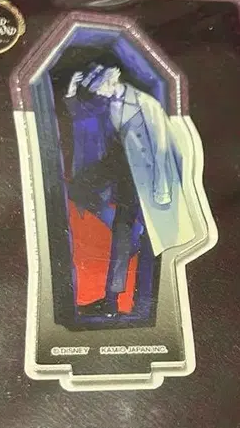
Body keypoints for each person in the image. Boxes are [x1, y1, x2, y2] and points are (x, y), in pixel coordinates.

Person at [65, 64, 194, 319]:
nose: (98, 92)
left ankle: (130, 303)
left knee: (144, 241)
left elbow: (161, 145)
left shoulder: (145, 103)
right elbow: (84, 114)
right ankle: (111, 302)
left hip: (146, 179)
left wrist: (162, 189)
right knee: (113, 226)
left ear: (112, 80)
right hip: (121, 171)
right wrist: (71, 93)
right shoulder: (107, 101)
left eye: (99, 87)